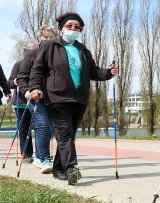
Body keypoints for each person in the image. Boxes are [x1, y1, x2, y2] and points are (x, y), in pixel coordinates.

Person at [27, 13, 117, 185]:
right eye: (70, 26)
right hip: (57, 97)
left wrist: (107, 72)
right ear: (61, 28)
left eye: (77, 27)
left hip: (79, 98)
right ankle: (71, 169)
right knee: (65, 134)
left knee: (68, 136)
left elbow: (93, 72)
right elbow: (37, 70)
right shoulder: (49, 46)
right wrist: (35, 88)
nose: (73, 29)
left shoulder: (83, 50)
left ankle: (58, 169)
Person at [16, 25, 58, 174]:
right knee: (43, 126)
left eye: (51, 37)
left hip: (54, 98)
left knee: (50, 127)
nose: (48, 40)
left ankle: (39, 157)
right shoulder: (32, 54)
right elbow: (21, 78)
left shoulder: (59, 54)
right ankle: (44, 158)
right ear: (40, 38)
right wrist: (29, 92)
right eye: (45, 37)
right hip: (36, 98)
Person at [10, 48, 35, 165]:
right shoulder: (18, 64)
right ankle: (26, 153)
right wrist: (15, 81)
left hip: (39, 101)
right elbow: (9, 82)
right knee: (24, 129)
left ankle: (41, 155)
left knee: (41, 128)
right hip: (21, 102)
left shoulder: (43, 63)